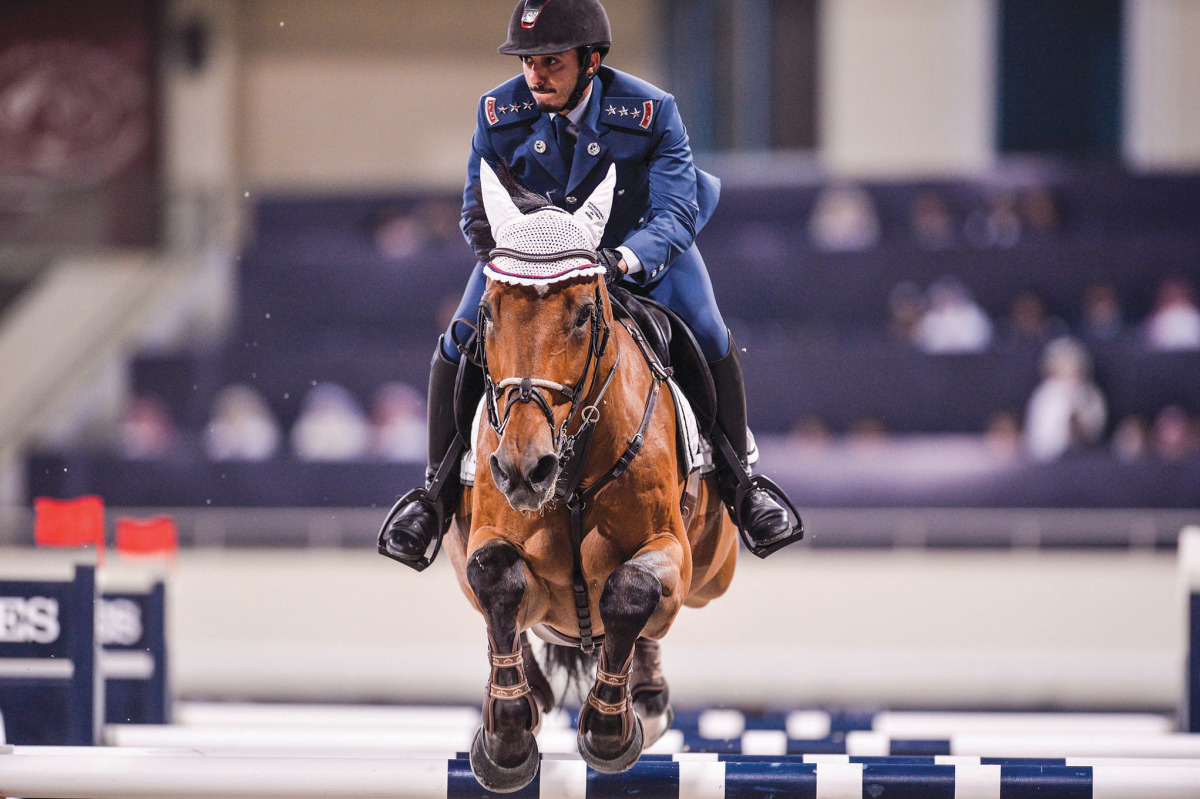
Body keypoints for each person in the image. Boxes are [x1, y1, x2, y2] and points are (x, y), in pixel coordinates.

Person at [381, 0, 799, 565]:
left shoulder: (650, 111)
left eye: (551, 62)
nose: (536, 75)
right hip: (530, 259)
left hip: (635, 251)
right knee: (457, 342)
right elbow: (477, 215)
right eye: (528, 62)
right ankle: (432, 496)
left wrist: (620, 261)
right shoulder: (497, 112)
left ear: (591, 61)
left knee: (707, 331)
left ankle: (742, 484)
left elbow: (676, 213)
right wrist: (526, 263)